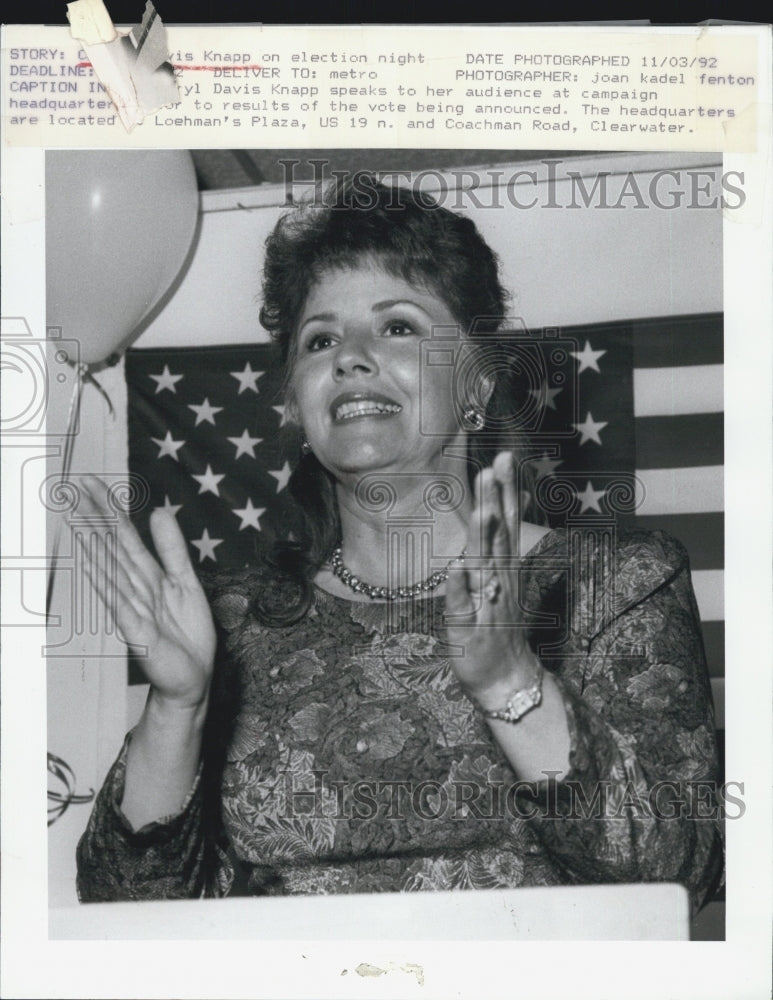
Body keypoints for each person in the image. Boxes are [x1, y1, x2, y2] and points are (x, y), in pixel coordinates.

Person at [76, 176, 724, 912]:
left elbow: (680, 871)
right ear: (293, 401)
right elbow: (121, 905)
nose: (349, 357)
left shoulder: (616, 583)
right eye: (319, 339)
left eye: (398, 326)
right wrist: (176, 706)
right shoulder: (232, 621)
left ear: (477, 384)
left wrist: (510, 684)